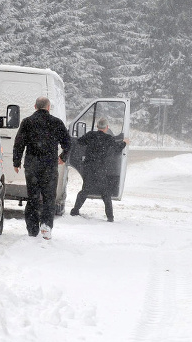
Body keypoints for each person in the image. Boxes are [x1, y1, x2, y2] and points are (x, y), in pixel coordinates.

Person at [13, 96, 72, 239]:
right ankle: (46, 226)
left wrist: (16, 162)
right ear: (48, 107)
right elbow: (68, 143)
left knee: (33, 197)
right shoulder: (56, 123)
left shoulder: (27, 122)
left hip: (32, 166)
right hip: (49, 166)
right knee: (49, 197)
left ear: (35, 106)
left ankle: (32, 230)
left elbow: (19, 143)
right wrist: (63, 157)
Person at [70, 117, 129, 222]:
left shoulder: (90, 135)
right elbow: (117, 148)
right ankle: (110, 217)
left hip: (88, 166)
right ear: (107, 127)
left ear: (97, 126)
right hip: (100, 168)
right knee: (105, 192)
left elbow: (79, 142)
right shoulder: (109, 138)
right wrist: (124, 142)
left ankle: (75, 210)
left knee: (85, 189)